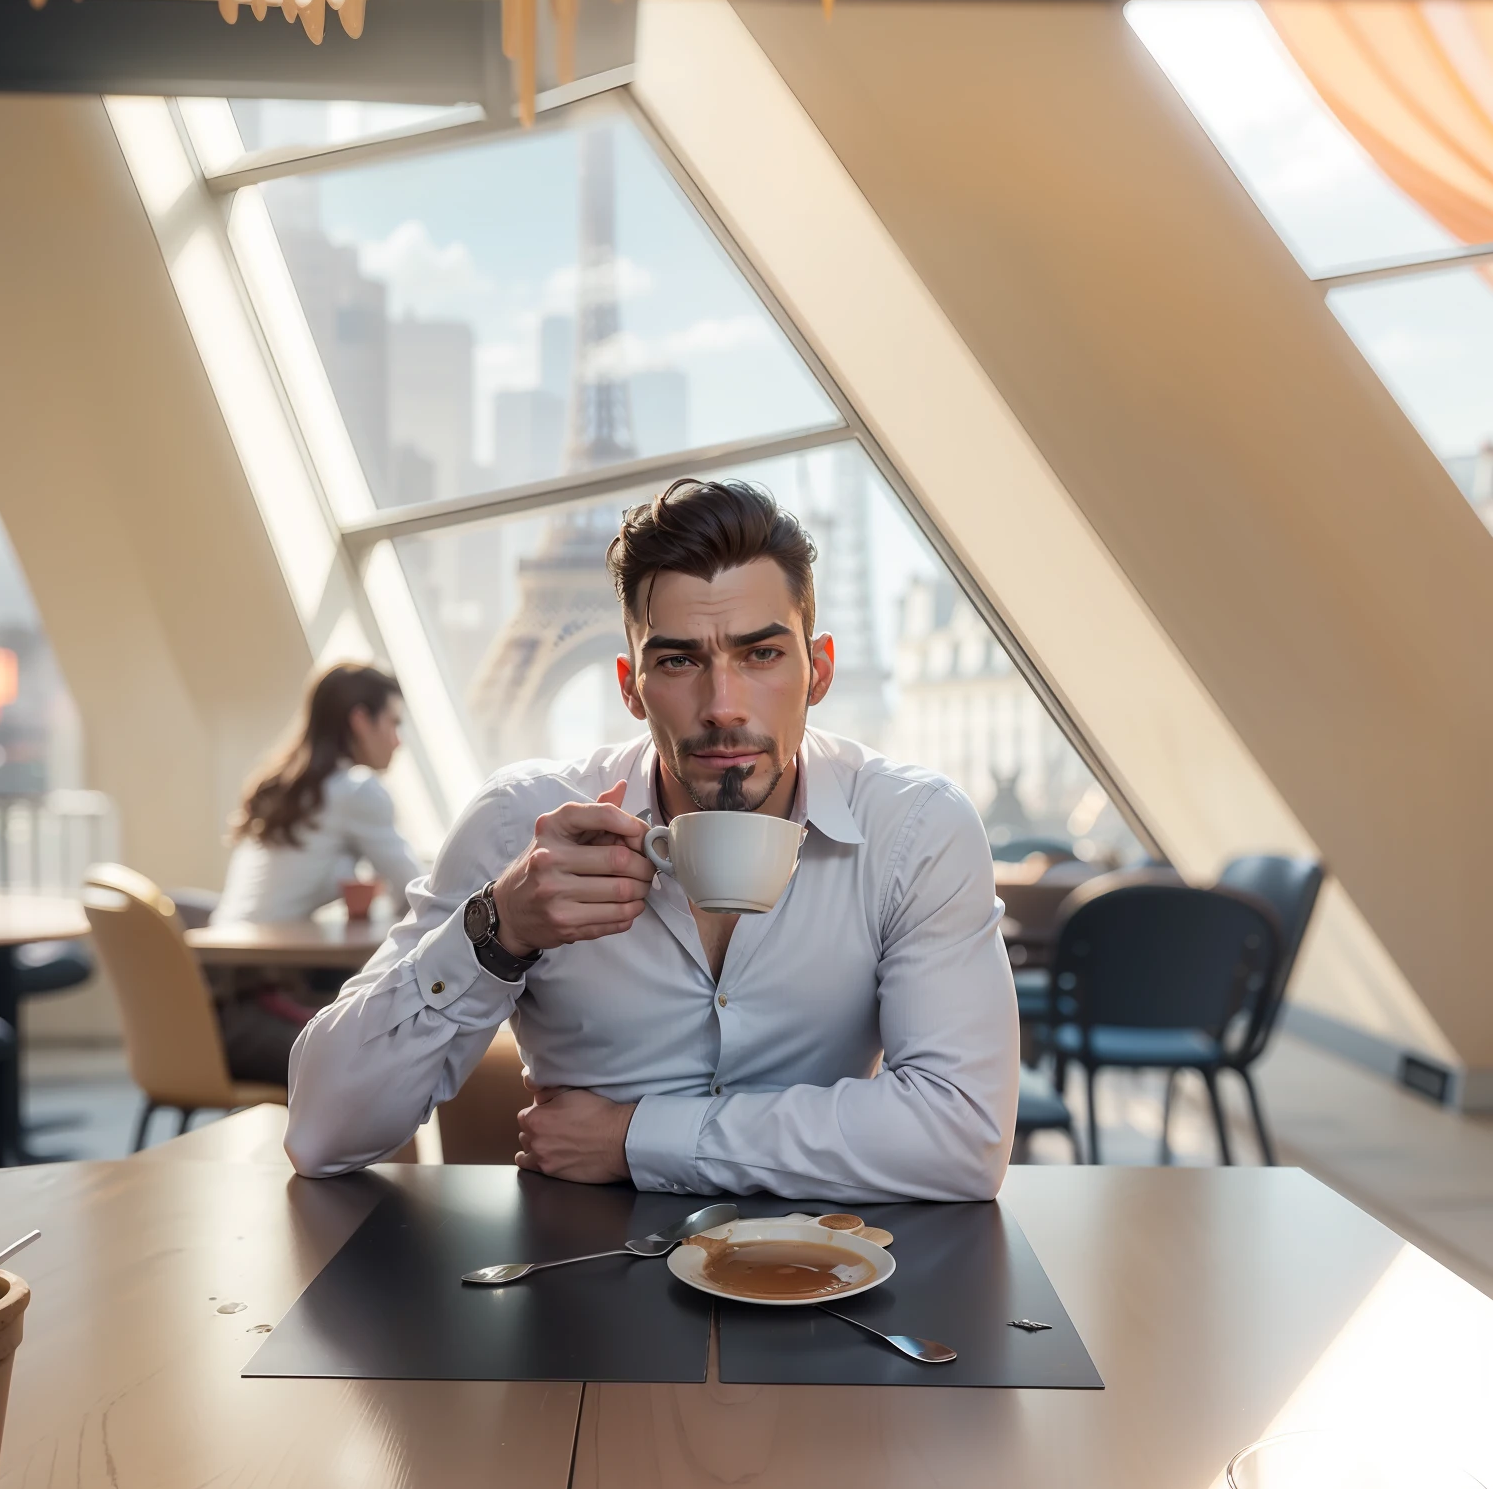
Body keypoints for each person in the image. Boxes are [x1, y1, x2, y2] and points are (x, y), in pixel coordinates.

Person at [286, 481, 1019, 1200]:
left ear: (817, 670)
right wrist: (496, 931)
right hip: (579, 1277)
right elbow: (322, 1133)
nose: (723, 708)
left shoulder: (915, 828)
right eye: (678, 662)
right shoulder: (523, 824)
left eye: (760, 655)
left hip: (830, 1279)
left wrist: (634, 1139)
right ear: (630, 686)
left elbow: (962, 1134)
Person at [211, 663, 422, 1084]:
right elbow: (418, 893)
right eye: (394, 723)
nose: (398, 740)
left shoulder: (291, 785)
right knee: (390, 1060)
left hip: (216, 1009)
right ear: (361, 720)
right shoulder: (356, 790)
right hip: (258, 1011)